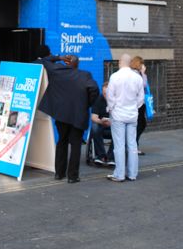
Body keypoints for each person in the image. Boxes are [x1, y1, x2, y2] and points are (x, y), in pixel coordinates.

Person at [37, 47, 99, 183]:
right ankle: (72, 176)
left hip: (61, 114)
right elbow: (94, 89)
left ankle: (59, 173)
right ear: (77, 64)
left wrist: (59, 57)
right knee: (76, 144)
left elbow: (43, 60)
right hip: (78, 115)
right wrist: (87, 103)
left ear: (67, 62)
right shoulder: (85, 75)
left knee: (62, 141)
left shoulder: (57, 70)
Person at [106, 53, 145, 182]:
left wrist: (111, 109)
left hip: (118, 115)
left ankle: (119, 174)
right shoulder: (137, 77)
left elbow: (110, 97)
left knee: (119, 146)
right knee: (132, 145)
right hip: (132, 115)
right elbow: (141, 99)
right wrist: (134, 108)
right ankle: (132, 174)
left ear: (119, 62)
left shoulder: (115, 76)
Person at [90, 81, 114, 166]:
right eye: (104, 93)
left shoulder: (118, 100)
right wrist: (101, 121)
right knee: (94, 127)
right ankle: (101, 156)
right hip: (101, 126)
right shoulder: (98, 100)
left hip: (114, 126)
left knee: (120, 130)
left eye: (107, 93)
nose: (106, 96)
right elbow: (93, 117)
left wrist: (112, 122)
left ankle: (111, 157)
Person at [130, 56, 148, 155]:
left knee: (140, 124)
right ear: (139, 64)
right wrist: (143, 73)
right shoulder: (137, 74)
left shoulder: (134, 73)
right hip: (138, 104)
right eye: (142, 64)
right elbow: (144, 85)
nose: (143, 66)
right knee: (140, 125)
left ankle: (134, 145)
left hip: (138, 104)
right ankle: (134, 146)